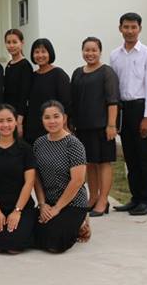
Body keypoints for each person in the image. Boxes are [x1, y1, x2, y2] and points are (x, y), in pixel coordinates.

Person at [109, 12, 147, 216]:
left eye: (133, 27)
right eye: (126, 27)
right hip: (123, 109)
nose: (129, 31)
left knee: (144, 156)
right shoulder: (115, 55)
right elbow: (114, 87)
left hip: (141, 109)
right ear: (120, 28)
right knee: (129, 155)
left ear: (139, 29)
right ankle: (135, 197)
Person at [70, 37, 120, 216]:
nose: (90, 53)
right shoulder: (77, 73)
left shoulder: (107, 72)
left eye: (94, 50)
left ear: (100, 52)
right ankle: (93, 197)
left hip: (102, 126)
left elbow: (112, 101)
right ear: (82, 51)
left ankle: (103, 200)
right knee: (89, 163)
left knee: (103, 162)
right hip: (83, 127)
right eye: (87, 50)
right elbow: (73, 100)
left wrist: (111, 125)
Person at [33, 101, 90, 253]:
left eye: (56, 116)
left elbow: (77, 181)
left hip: (72, 203)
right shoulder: (39, 143)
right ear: (42, 120)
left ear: (64, 118)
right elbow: (36, 177)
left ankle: (81, 222)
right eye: (47, 117)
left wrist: (57, 208)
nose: (52, 121)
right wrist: (42, 204)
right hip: (48, 202)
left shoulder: (74, 144)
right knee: (28, 235)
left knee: (54, 244)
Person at [0, 104, 36, 254]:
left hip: (21, 206)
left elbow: (29, 182)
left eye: (9, 120)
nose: (5, 125)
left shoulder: (26, 149)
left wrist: (17, 211)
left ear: (16, 122)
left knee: (14, 247)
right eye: (0, 121)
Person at [23, 38, 71, 145]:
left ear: (50, 53)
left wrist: (64, 125)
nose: (40, 55)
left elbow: (66, 103)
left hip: (53, 125)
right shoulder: (32, 76)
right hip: (33, 127)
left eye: (43, 51)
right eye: (37, 52)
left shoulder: (59, 74)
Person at [3, 29, 32, 139]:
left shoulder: (25, 65)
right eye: (8, 42)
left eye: (15, 42)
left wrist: (19, 122)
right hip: (9, 113)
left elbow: (24, 95)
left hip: (19, 117)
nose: (11, 45)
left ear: (22, 43)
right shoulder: (9, 64)